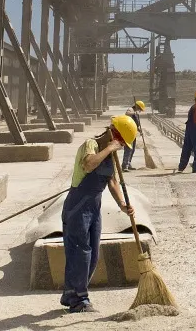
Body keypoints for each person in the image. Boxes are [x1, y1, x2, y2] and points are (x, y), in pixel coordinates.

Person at [60, 115, 137, 314]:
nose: (120, 146)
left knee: (92, 253)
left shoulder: (110, 154)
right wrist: (110, 148)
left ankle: (71, 294)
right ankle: (79, 300)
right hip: (78, 204)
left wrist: (122, 204)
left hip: (94, 206)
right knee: (80, 252)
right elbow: (88, 165)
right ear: (112, 132)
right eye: (120, 141)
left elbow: (111, 181)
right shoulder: (91, 145)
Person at [121, 101, 145, 171]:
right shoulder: (131, 110)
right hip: (128, 133)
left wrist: (139, 130)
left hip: (133, 132)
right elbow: (127, 113)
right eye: (140, 109)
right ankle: (124, 165)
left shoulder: (135, 112)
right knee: (128, 149)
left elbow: (134, 124)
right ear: (137, 106)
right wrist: (134, 113)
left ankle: (128, 163)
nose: (139, 110)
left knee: (133, 149)